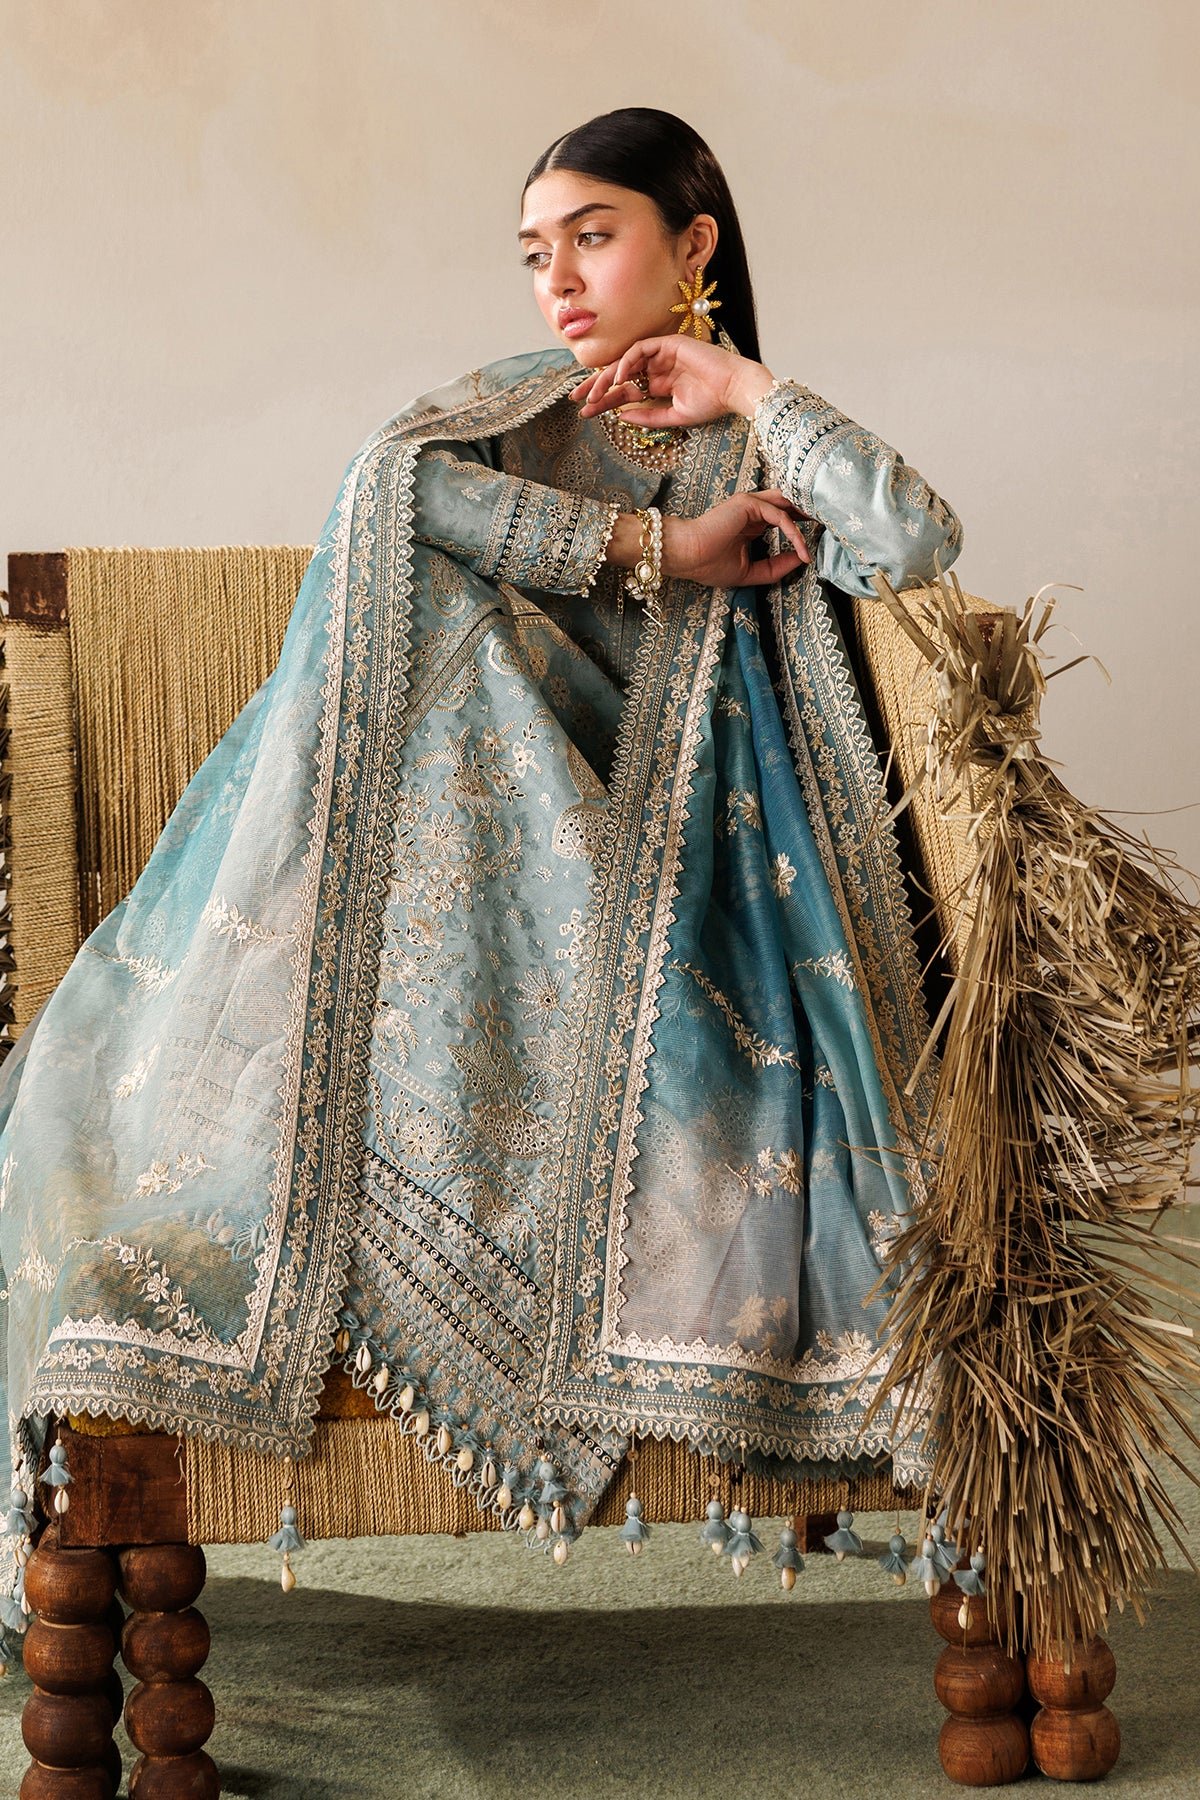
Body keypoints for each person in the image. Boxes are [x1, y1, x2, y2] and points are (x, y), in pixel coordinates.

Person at [0, 108, 963, 1553]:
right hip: (484, 891)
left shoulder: (760, 433)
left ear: (692, 243)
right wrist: (661, 550)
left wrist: (750, 386)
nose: (558, 281)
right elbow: (383, 491)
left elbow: (917, 539)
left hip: (700, 891)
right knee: (428, 598)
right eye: (534, 253)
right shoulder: (522, 415)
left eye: (594, 237)